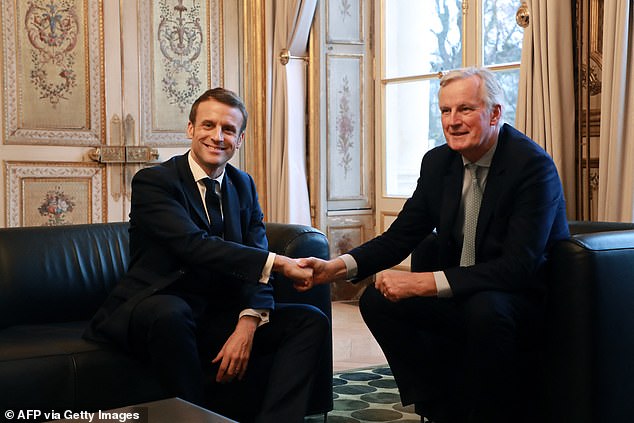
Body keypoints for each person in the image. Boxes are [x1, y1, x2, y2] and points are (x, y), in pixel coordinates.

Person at [297, 67, 569, 423]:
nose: (453, 121)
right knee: (378, 301)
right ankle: (439, 404)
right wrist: (336, 268)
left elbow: (518, 266)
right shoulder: (438, 162)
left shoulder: (531, 167)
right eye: (445, 111)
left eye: (465, 109)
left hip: (520, 297)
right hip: (465, 291)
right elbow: (401, 236)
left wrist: (424, 282)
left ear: (495, 113)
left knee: (485, 309)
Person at [84, 87, 328, 423]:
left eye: (228, 129)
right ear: (190, 130)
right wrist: (281, 263)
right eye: (208, 125)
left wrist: (247, 323)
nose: (217, 137)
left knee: (309, 320)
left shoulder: (243, 184)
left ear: (239, 140)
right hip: (159, 304)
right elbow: (193, 245)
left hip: (216, 311)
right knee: (171, 312)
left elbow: (254, 253)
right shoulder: (154, 181)